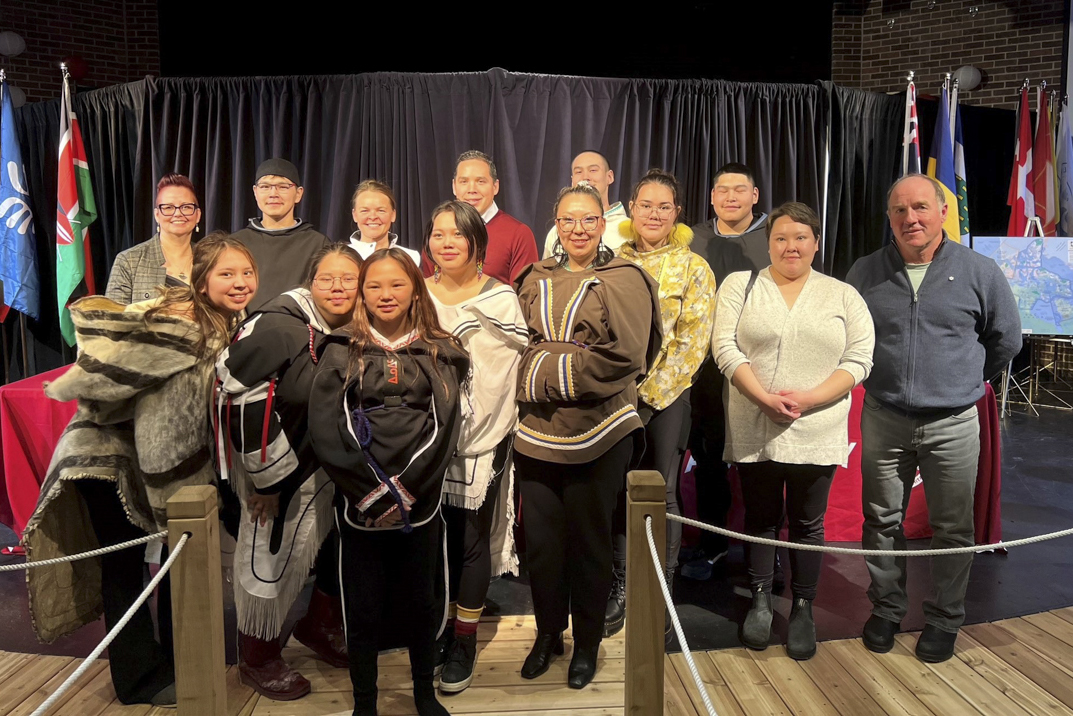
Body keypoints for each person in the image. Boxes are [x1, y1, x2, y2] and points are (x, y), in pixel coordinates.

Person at [23, 233, 257, 707]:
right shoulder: (184, 328)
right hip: (104, 461)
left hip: (144, 458)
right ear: (200, 279)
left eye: (247, 272)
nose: (240, 283)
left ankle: (178, 660)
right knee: (126, 569)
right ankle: (138, 680)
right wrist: (179, 503)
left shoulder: (225, 323)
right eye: (226, 273)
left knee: (175, 558)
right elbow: (162, 426)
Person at [846, 174, 1021, 664]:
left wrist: (959, 382)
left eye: (921, 207)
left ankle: (945, 619)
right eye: (900, 210)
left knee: (952, 527)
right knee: (881, 519)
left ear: (943, 211)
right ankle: (886, 608)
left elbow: (1006, 338)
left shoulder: (979, 271)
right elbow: (846, 334)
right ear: (889, 217)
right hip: (883, 415)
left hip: (954, 422)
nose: (911, 219)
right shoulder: (865, 271)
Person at [513, 182, 662, 689]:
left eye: (588, 220)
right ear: (556, 224)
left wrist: (544, 372)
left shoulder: (624, 278)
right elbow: (516, 343)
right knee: (543, 543)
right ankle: (548, 634)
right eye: (567, 220)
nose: (577, 229)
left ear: (603, 224)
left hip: (601, 427)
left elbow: (628, 355)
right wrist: (546, 364)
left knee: (591, 543)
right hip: (536, 430)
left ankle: (589, 643)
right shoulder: (534, 277)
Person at [308, 248, 468, 716]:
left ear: (415, 288)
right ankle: (365, 704)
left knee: (423, 602)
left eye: (397, 284)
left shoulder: (440, 349)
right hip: (360, 503)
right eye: (374, 285)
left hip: (421, 501)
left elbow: (446, 425)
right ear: (361, 291)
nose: (385, 294)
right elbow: (327, 426)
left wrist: (406, 489)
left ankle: (423, 692)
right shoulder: (339, 349)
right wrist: (371, 493)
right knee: (362, 608)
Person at [712, 202, 874, 660]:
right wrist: (764, 397)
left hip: (817, 425)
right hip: (754, 419)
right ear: (768, 243)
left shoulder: (843, 295)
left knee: (808, 523)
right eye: (781, 237)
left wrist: (810, 399)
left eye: (801, 237)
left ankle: (803, 606)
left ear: (816, 243)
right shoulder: (739, 287)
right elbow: (723, 346)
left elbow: (859, 359)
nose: (791, 246)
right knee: (761, 518)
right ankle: (760, 600)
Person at [215, 244, 363, 700]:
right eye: (327, 279)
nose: (338, 288)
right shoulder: (279, 326)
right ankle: (257, 657)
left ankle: (318, 627)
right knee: (269, 556)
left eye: (348, 280)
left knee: (340, 547)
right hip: (277, 471)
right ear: (310, 281)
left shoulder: (350, 327)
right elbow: (237, 395)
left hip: (327, 469)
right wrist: (268, 482)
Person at [607, 169, 716, 639]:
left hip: (666, 399)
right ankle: (622, 587)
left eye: (663, 207)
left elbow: (694, 344)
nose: (653, 214)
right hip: (611, 396)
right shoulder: (609, 262)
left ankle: (663, 591)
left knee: (663, 492)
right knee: (616, 491)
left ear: (677, 214)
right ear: (631, 211)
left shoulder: (694, 268)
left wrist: (646, 397)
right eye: (645, 205)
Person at [423, 200, 527, 693]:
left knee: (469, 540)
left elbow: (503, 371)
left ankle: (464, 638)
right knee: (431, 540)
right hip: (422, 441)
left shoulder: (501, 298)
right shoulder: (417, 295)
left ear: (476, 243)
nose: (446, 242)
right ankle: (440, 628)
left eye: (456, 234)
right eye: (438, 234)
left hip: (484, 434)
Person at [682, 162, 769, 581]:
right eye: (722, 190)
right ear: (712, 196)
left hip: (760, 367)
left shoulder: (775, 237)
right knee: (708, 458)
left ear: (755, 195)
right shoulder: (690, 239)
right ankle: (712, 544)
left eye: (740, 189)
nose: (730, 197)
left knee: (760, 463)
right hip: (702, 370)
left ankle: (765, 553)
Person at [421, 150, 538, 284]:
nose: (472, 189)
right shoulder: (438, 233)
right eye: (464, 182)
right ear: (454, 186)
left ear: (495, 186)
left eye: (481, 181)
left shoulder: (519, 234)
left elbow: (525, 297)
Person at [232, 157, 332, 311]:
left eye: (283, 187)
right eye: (265, 186)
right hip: (244, 331)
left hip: (299, 331)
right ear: (255, 192)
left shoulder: (317, 244)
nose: (273, 194)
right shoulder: (236, 243)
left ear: (298, 194)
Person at [106, 173, 203, 304]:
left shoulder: (210, 260)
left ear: (197, 215)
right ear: (157, 215)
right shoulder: (129, 261)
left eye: (186, 207)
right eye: (168, 207)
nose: (178, 213)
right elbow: (112, 320)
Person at [541, 150, 632, 258]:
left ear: (610, 177)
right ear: (572, 181)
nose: (585, 177)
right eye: (578, 172)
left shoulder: (630, 229)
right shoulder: (558, 230)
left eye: (593, 170)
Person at [347, 179, 421, 265]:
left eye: (381, 210)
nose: (373, 217)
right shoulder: (340, 258)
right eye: (364, 211)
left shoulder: (411, 257)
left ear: (393, 215)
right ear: (355, 215)